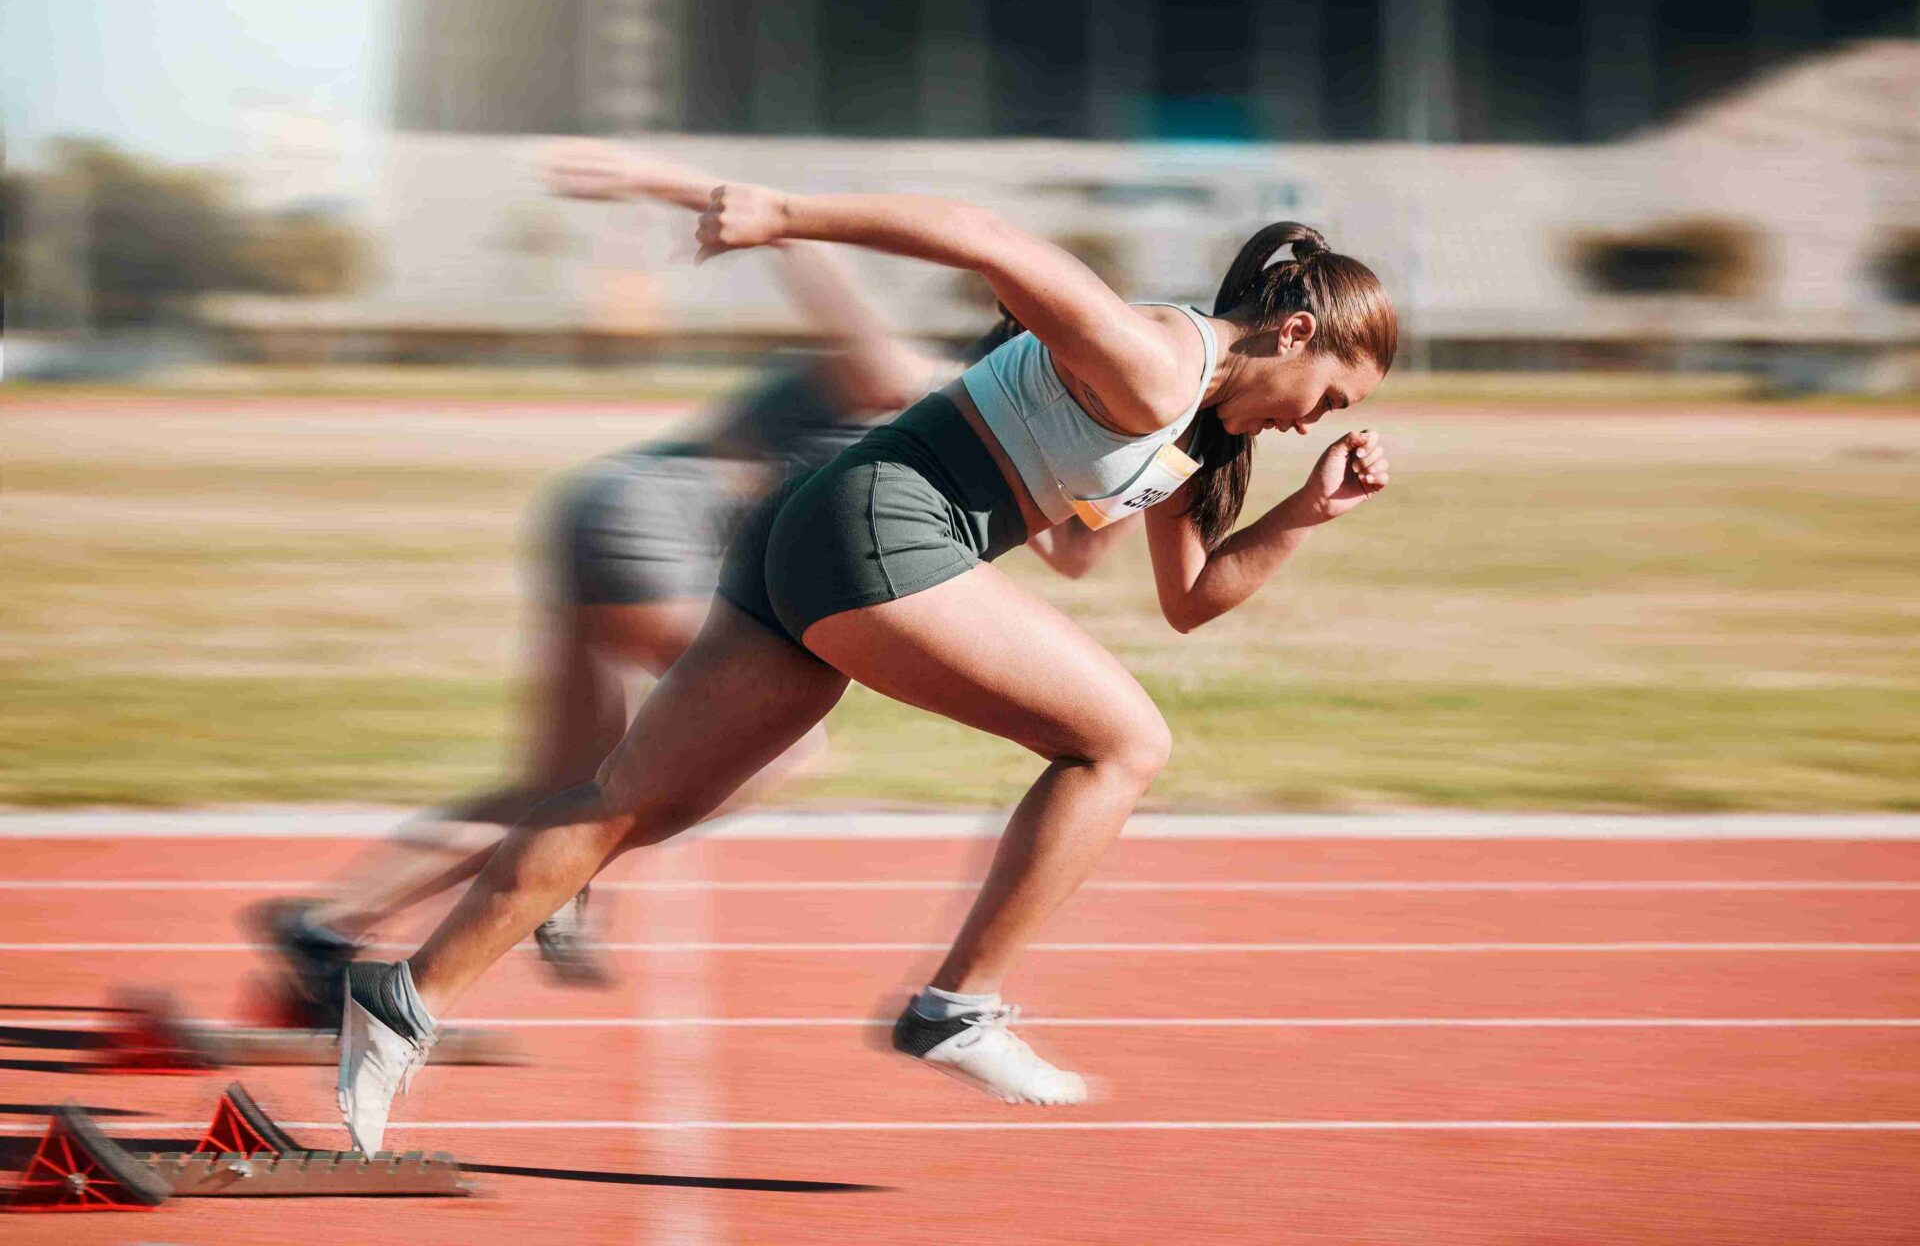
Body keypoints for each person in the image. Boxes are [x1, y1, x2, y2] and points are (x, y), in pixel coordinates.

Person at [336, 177, 1395, 1153]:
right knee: (1125, 740)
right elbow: (987, 236)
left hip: (818, 530)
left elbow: (1176, 594)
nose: (1316, 423)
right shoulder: (1159, 356)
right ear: (1297, 331)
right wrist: (782, 214)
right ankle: (957, 1007)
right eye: (1330, 395)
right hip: (878, 522)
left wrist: (1305, 510)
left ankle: (402, 999)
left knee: (629, 805)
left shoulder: (1195, 433)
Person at [255, 146, 1122, 1024]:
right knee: (769, 749)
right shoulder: (912, 381)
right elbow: (810, 261)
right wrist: (665, 182)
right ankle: (561, 880)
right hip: (651, 528)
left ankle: (324, 928)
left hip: (602, 513)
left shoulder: (1002, 460)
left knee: (560, 780)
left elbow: (1077, 553)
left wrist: (1154, 466)